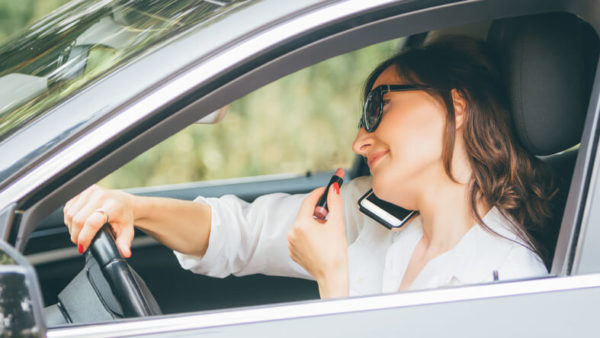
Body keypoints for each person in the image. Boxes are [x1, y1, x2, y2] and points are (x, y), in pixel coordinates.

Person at [63, 36, 555, 299]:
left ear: (458, 106)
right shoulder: (371, 215)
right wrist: (133, 207)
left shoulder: (508, 281)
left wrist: (332, 278)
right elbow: (243, 233)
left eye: (378, 105)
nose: (362, 137)